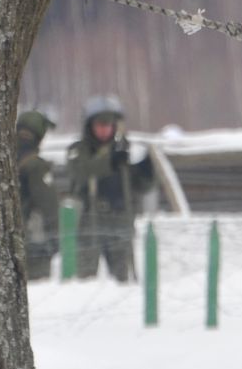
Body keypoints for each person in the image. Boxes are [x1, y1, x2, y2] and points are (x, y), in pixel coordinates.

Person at [65, 93, 154, 281]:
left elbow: (140, 186)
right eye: (100, 125)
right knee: (85, 279)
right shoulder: (79, 150)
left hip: (120, 219)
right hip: (90, 221)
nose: (105, 130)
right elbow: (80, 173)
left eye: (109, 125)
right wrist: (109, 162)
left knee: (122, 279)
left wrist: (147, 171)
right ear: (90, 126)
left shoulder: (125, 150)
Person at [15, 110, 60, 281]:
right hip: (34, 244)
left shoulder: (3, 158)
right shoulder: (36, 166)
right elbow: (49, 206)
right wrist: (56, 238)